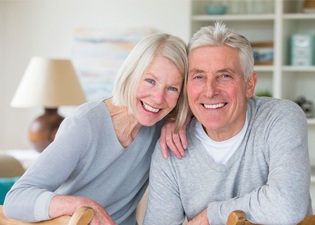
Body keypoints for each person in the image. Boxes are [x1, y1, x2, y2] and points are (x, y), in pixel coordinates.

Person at [3, 33, 189, 225]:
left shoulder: (162, 126)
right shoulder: (85, 125)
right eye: (150, 81)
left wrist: (179, 120)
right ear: (131, 74)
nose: (158, 98)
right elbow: (15, 199)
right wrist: (82, 205)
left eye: (172, 88)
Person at [143, 22, 312, 225]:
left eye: (224, 76)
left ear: (249, 84)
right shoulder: (171, 146)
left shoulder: (280, 118)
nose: (209, 91)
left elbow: (287, 207)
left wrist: (211, 215)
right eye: (198, 77)